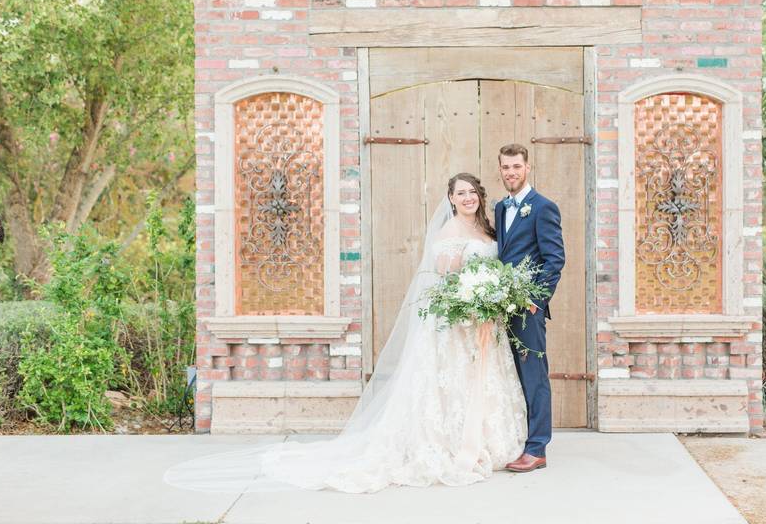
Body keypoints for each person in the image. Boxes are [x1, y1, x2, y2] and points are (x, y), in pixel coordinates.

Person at [165, 173, 526, 493]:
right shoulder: (450, 231)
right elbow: (446, 273)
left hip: (482, 321)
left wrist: (489, 294)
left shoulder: (487, 229)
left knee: (477, 381)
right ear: (450, 199)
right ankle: (448, 444)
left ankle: (484, 440)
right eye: (460, 193)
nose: (467, 198)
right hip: (456, 320)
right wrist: (472, 289)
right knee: (451, 384)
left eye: (471, 192)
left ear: (479, 195)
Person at [495, 143, 565, 473]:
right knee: (508, 376)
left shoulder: (543, 207)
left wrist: (536, 301)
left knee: (534, 377)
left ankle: (537, 448)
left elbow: (554, 260)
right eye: (506, 168)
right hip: (500, 307)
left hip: (528, 309)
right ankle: (515, 440)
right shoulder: (499, 208)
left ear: (527, 168)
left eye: (516, 167)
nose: (511, 172)